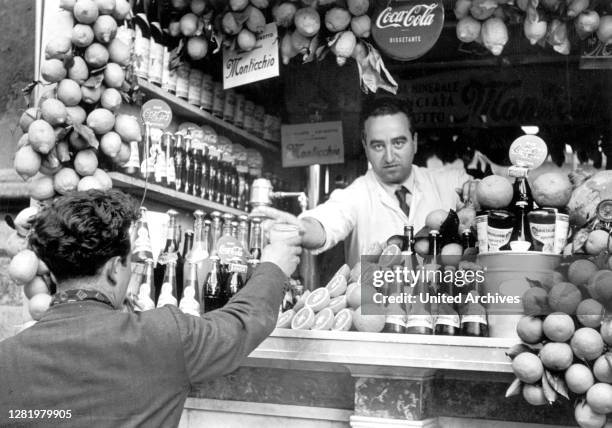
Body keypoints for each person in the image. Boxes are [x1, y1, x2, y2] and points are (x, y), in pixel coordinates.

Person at [0, 190, 301, 428]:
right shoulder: (165, 335)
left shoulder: (7, 357)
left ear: (50, 272)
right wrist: (273, 268)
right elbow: (241, 323)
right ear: (115, 269)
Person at [253, 98, 477, 267]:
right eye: (378, 146)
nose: (389, 157)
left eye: (398, 143)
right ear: (365, 146)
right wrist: (302, 229)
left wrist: (477, 196)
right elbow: (326, 222)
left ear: (415, 142)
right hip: (374, 317)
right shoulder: (355, 194)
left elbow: (494, 197)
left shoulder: (451, 183)